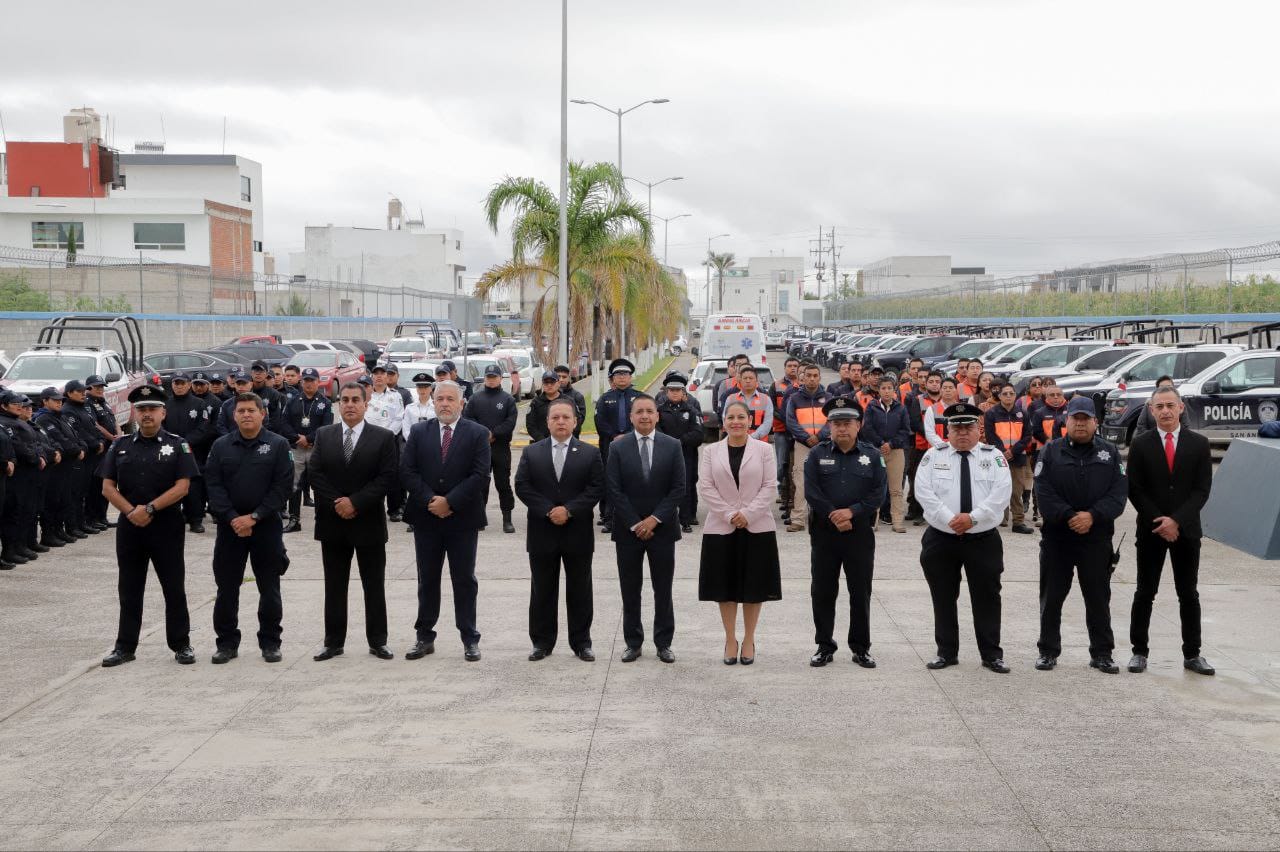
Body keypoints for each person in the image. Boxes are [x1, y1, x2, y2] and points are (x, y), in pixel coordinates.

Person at [99, 386, 200, 667]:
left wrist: (151, 508)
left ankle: (181, 644)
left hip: (166, 525)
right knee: (129, 588)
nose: (146, 415)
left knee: (173, 587)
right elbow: (107, 487)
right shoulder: (119, 446)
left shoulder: (178, 445)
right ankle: (125, 646)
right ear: (135, 413)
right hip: (130, 527)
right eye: (142, 410)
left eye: (152, 409)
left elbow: (183, 486)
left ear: (163, 413)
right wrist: (132, 511)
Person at [914, 402, 1013, 673]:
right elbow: (923, 492)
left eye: (968, 427)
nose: (962, 433)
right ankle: (946, 652)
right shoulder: (933, 456)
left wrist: (972, 518)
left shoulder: (994, 457)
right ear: (947, 430)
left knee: (987, 597)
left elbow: (1001, 494)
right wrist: (950, 519)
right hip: (942, 538)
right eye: (956, 428)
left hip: (982, 539)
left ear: (978, 429)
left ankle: (991, 654)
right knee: (943, 596)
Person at [1034, 395, 1128, 673]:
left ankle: (1102, 653)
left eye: (1086, 419)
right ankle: (1047, 651)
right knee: (1051, 598)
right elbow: (1043, 493)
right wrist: (1069, 516)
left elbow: (1118, 495)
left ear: (1095, 422)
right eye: (1075, 419)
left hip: (1096, 539)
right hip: (1058, 539)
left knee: (1098, 598)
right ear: (1067, 421)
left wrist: (1092, 516)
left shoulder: (1109, 453)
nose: (1080, 424)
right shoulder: (1050, 452)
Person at [1125, 385, 1215, 675]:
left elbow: (1202, 491)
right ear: (1151, 411)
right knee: (1144, 592)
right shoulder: (1141, 444)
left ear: (1180, 408)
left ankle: (1193, 654)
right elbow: (1135, 490)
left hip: (1186, 531)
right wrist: (1160, 522)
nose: (1164, 411)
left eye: (1169, 405)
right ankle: (1139, 652)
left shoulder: (1199, 444)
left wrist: (1176, 520)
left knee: (1188, 594)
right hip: (1151, 531)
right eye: (1159, 406)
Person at [307, 382, 400, 662]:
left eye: (355, 400)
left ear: (365, 404)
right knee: (335, 586)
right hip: (333, 521)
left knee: (374, 585)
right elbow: (315, 473)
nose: (349, 404)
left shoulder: (383, 437)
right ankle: (333, 642)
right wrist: (339, 502)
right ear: (339, 405)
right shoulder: (324, 435)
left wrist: (355, 502)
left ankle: (378, 641)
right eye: (344, 400)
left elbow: (386, 477)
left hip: (367, 522)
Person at [401, 381, 491, 662]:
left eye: (450, 399)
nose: (444, 404)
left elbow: (480, 476)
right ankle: (424, 636)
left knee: (464, 579)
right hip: (426, 519)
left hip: (462, 519)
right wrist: (431, 501)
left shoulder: (476, 434)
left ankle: (469, 638)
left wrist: (449, 502)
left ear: (461, 403)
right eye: (440, 398)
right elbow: (408, 471)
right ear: (433, 402)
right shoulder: (418, 432)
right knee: (427, 579)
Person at [204, 392, 294, 664]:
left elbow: (282, 488)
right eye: (241, 410)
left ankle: (270, 642)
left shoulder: (278, 445)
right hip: (230, 529)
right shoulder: (220, 446)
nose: (246, 415)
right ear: (234, 415)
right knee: (227, 589)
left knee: (269, 588)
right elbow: (213, 486)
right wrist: (233, 518)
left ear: (262, 413)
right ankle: (227, 643)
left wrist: (254, 517)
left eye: (250, 410)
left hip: (266, 528)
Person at [514, 397, 605, 662]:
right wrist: (548, 510)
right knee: (542, 589)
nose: (561, 422)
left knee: (580, 589)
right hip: (543, 531)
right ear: (548, 422)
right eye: (556, 418)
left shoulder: (590, 453)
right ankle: (541, 642)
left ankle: (581, 642)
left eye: (566, 417)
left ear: (576, 422)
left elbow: (596, 488)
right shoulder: (533, 452)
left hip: (577, 532)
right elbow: (523, 486)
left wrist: (570, 510)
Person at [804, 397, 887, 668]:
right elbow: (812, 491)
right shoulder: (817, 454)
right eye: (836, 423)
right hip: (825, 533)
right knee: (823, 591)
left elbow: (878, 493)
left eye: (847, 423)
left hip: (859, 533)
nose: (841, 428)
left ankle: (861, 647)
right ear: (829, 426)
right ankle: (824, 645)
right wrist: (834, 514)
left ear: (859, 425)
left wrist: (851, 512)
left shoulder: (872, 455)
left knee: (860, 591)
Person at [697, 399, 781, 666]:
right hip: (721, 527)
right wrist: (730, 514)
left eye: (741, 417)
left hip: (757, 526)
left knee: (754, 587)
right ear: (723, 422)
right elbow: (706, 486)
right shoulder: (711, 451)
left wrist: (748, 514)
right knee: (725, 587)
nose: (735, 422)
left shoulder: (764, 450)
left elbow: (770, 486)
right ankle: (731, 638)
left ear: (750, 421)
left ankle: (749, 639)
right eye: (730, 417)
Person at [606, 394, 686, 663]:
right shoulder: (617, 447)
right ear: (631, 417)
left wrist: (654, 519)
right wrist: (635, 522)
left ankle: (664, 643)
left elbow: (678, 488)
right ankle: (633, 642)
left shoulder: (672, 446)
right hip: (628, 531)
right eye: (639, 411)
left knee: (663, 589)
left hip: (662, 530)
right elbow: (614, 490)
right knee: (630, 589)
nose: (644, 416)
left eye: (649, 411)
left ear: (657, 415)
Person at [463, 364, 518, 534]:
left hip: (500, 448)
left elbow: (510, 422)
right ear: (485, 378)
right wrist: (483, 433)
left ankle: (507, 520)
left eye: (494, 377)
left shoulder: (508, 399)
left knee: (503, 484)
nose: (491, 380)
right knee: (480, 484)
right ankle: (480, 518)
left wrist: (494, 433)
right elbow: (468, 418)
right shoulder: (475, 398)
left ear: (500, 378)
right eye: (489, 377)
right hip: (480, 448)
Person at [280, 367, 334, 534]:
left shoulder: (325, 403)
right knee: (293, 484)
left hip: (316, 448)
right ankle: (294, 519)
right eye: (306, 380)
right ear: (302, 382)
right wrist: (298, 438)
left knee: (319, 484)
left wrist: (309, 439)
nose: (309, 383)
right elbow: (284, 423)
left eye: (312, 380)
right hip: (296, 448)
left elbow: (326, 426)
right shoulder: (293, 401)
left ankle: (322, 518)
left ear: (318, 382)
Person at [595, 358, 643, 534]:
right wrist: (615, 436)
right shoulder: (605, 398)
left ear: (630, 377)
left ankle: (634, 517)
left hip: (634, 445)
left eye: (625, 374)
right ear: (612, 378)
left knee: (632, 481)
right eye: (618, 374)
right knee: (611, 482)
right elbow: (600, 422)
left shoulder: (639, 397)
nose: (622, 377)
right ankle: (609, 519)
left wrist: (628, 435)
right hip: (610, 444)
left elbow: (642, 420)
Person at [165, 372, 217, 533]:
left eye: (182, 383)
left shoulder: (200, 404)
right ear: (172, 385)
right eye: (176, 383)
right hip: (170, 450)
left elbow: (204, 428)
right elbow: (161, 427)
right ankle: (173, 518)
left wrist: (185, 442)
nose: (179, 386)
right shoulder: (165, 404)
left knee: (194, 487)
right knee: (170, 485)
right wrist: (172, 442)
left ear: (189, 385)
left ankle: (196, 519)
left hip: (193, 451)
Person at [32, 387, 84, 547]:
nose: (59, 402)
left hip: (68, 464)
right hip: (56, 467)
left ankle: (58, 530)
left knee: (63, 499)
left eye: (60, 400)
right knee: (52, 500)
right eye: (55, 400)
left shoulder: (60, 416)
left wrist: (81, 447)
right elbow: (58, 439)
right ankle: (49, 533)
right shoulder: (44, 419)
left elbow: (75, 435)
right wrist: (76, 450)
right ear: (45, 401)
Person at [784, 362, 831, 532]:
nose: (811, 379)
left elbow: (831, 421)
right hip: (802, 445)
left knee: (827, 480)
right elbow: (791, 422)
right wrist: (806, 437)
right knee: (800, 480)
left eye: (815, 376)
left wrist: (819, 436)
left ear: (819, 377)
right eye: (808, 376)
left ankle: (828, 517)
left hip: (824, 444)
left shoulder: (828, 398)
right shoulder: (794, 398)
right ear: (802, 378)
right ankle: (798, 519)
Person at [656, 372, 704, 534]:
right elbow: (656, 431)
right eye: (671, 390)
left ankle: (686, 519)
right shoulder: (659, 411)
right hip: (664, 455)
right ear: (666, 392)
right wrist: (669, 443)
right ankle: (665, 518)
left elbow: (698, 434)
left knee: (685, 486)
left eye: (678, 390)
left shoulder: (691, 411)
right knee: (664, 487)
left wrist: (679, 441)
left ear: (684, 392)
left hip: (686, 454)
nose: (675, 392)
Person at [984, 383, 1035, 534]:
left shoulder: (1023, 413)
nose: (1008, 396)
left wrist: (1013, 451)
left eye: (1011, 393)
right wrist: (1003, 452)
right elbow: (990, 436)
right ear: (999, 396)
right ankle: (1001, 519)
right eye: (1004, 393)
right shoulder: (991, 413)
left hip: (1018, 457)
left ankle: (1018, 522)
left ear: (1015, 396)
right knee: (999, 488)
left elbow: (1027, 436)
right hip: (998, 458)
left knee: (1017, 491)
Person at [864, 375, 912, 533]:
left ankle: (897, 521)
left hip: (896, 451)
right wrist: (880, 443)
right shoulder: (871, 407)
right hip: (876, 451)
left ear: (894, 390)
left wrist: (891, 444)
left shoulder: (901, 408)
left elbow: (905, 430)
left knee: (896, 489)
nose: (886, 391)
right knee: (875, 487)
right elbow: (867, 428)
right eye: (883, 388)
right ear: (878, 390)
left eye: (889, 388)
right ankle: (872, 522)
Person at [0, 393, 43, 568]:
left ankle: (19, 546)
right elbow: (17, 446)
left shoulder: (17, 422)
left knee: (24, 510)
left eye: (20, 403)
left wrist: (38, 455)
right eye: (14, 404)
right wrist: (9, 463)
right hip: (15, 475)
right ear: (4, 406)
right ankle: (10, 550)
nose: (20, 406)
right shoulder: (6, 423)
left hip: (23, 472)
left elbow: (33, 442)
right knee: (13, 513)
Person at [61, 379, 106, 537]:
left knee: (88, 490)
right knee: (77, 493)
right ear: (69, 393)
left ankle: (84, 522)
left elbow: (95, 426)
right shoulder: (68, 410)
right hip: (82, 457)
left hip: (93, 454)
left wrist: (101, 440)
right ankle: (74, 526)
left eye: (83, 391)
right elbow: (78, 432)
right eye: (79, 392)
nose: (83, 394)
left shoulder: (84, 408)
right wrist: (95, 443)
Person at [366, 365, 406, 522]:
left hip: (390, 440)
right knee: (369, 475)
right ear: (372, 377)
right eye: (375, 374)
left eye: (382, 373)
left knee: (392, 476)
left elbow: (399, 418)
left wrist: (386, 435)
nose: (379, 376)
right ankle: (371, 507)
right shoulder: (366, 394)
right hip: (368, 441)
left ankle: (394, 510)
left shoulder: (395, 396)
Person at [84, 375, 119, 529]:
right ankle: (93, 518)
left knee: (107, 481)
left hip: (111, 447)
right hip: (100, 448)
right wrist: (111, 437)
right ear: (88, 388)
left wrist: (119, 435)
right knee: (95, 485)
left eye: (101, 387)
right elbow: (96, 425)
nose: (100, 390)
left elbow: (114, 420)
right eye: (96, 387)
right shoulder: (87, 404)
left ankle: (102, 517)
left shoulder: (104, 403)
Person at [768, 357, 800, 521]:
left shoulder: (803, 386)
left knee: (794, 467)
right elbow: (771, 406)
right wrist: (785, 418)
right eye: (790, 366)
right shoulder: (776, 385)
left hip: (799, 433)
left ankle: (791, 499)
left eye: (795, 366)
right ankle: (783, 492)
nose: (793, 368)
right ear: (785, 367)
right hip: (781, 430)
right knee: (782, 464)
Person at [721, 365, 774, 442]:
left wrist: (751, 438)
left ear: (756, 380)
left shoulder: (766, 399)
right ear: (740, 380)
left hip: (759, 443)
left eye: (751, 378)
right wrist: (739, 436)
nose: (748, 381)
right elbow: (725, 419)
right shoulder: (731, 399)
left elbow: (767, 423)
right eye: (745, 378)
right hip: (736, 441)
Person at [1132, 375, 1191, 440]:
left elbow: (1185, 427)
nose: (1165, 411)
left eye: (1169, 387)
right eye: (1162, 388)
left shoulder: (1179, 405)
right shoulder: (1149, 405)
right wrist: (1158, 437)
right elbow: (1141, 426)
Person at [248, 361, 286, 433]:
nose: (258, 373)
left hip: (267, 433)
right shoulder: (246, 391)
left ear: (266, 374)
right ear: (251, 373)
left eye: (261, 371)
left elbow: (275, 420)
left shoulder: (274, 394)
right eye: (255, 370)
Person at [401, 372, 437, 438]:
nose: (422, 390)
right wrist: (412, 442)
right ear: (417, 389)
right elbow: (406, 429)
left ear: (431, 389)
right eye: (420, 387)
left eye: (425, 387)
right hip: (413, 443)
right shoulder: (409, 408)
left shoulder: (437, 407)